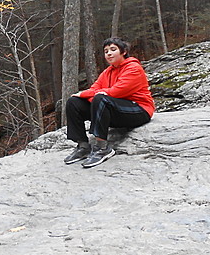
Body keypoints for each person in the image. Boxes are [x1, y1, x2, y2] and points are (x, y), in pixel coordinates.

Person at [64, 37, 155, 168]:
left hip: (139, 110)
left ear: (123, 52)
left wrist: (87, 94)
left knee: (100, 98)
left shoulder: (134, 68)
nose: (109, 54)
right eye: (106, 51)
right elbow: (95, 88)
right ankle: (83, 146)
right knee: (74, 102)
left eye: (113, 50)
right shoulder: (107, 72)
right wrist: (88, 95)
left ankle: (103, 148)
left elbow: (117, 91)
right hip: (117, 110)